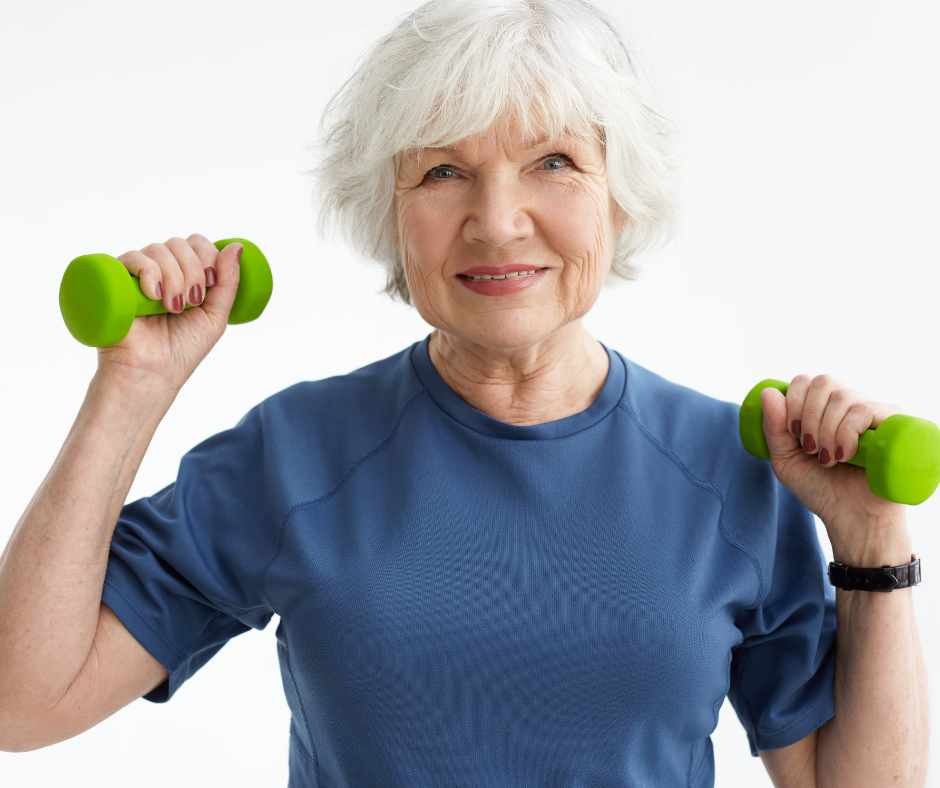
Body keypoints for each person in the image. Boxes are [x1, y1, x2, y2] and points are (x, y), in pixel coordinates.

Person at [0, 0, 928, 786]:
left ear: (621, 198)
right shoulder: (293, 456)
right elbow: (23, 705)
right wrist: (131, 387)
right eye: (443, 171)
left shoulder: (736, 471)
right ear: (390, 213)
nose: (496, 221)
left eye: (554, 162)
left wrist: (873, 542)